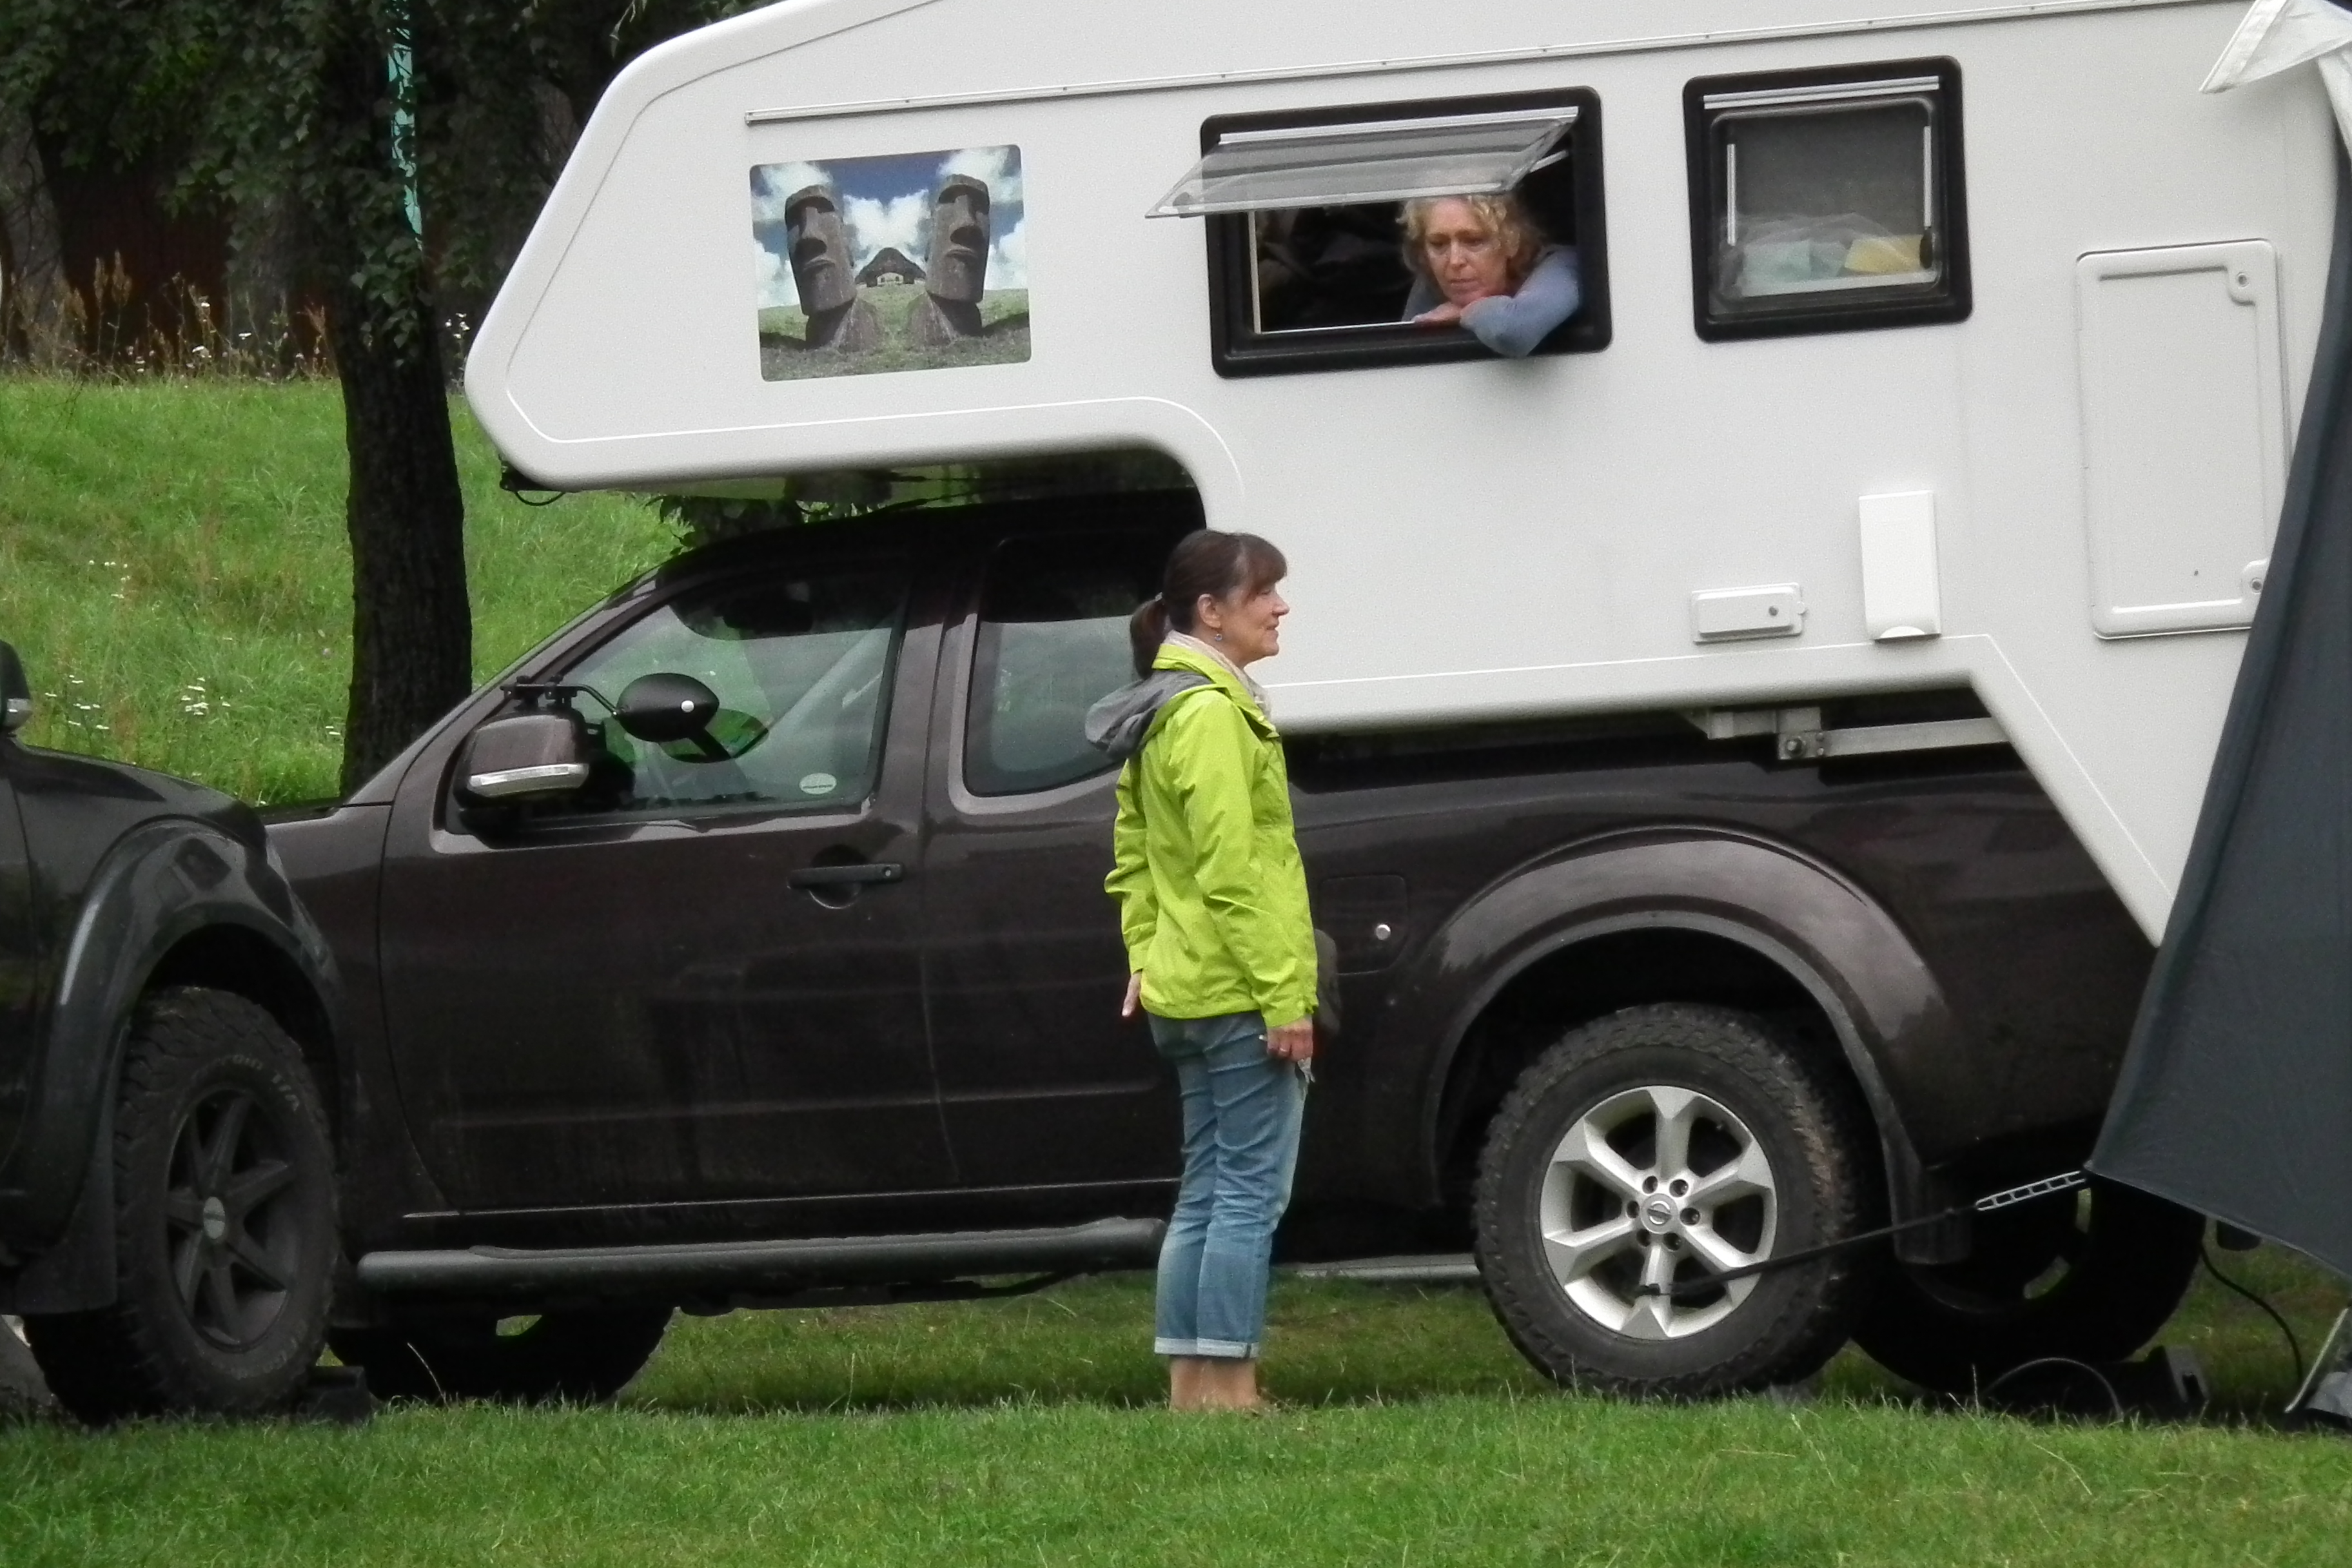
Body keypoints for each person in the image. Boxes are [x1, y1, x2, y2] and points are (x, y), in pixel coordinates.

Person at [1086, 529, 1317, 1413]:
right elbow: (1233, 872)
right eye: (1264, 593)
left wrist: (1146, 957)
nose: (1281, 606)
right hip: (1236, 992)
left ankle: (1192, 1388)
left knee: (1209, 1188)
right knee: (1249, 1194)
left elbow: (1134, 856)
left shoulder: (1165, 704)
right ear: (1212, 612)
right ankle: (1233, 1389)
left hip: (1183, 991)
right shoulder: (1213, 713)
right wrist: (1284, 998)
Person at [1400, 191, 1581, 357]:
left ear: (1511, 241)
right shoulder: (1429, 284)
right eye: (1438, 244)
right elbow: (1408, 355)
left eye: (1473, 241)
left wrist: (1463, 312)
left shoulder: (1563, 264)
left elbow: (1513, 331)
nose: (1455, 261)